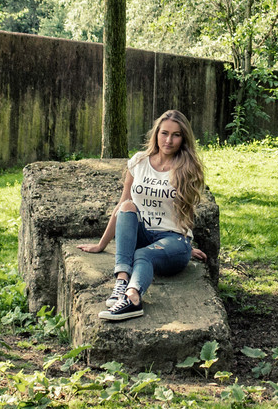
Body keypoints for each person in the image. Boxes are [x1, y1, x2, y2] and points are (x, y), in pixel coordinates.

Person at [78, 109, 209, 321]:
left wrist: (183, 248)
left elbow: (187, 211)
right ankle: (121, 282)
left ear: (183, 138)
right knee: (128, 207)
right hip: (143, 234)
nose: (168, 140)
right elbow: (121, 205)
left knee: (143, 255)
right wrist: (101, 245)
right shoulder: (139, 162)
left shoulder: (187, 168)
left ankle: (133, 299)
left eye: (176, 135)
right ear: (156, 133)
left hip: (172, 238)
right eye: (164, 133)